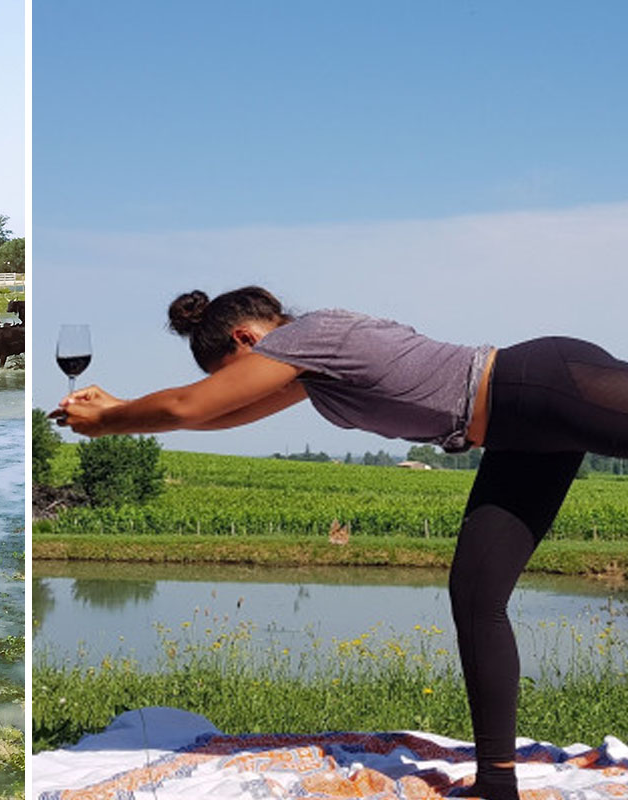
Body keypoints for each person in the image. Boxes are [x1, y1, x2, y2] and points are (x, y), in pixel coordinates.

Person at [53, 285, 628, 800]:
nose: (232, 385)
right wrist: (118, 409)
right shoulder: (312, 371)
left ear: (246, 338)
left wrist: (111, 419)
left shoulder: (311, 336)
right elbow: (219, 416)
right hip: (518, 434)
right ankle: (496, 784)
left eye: (229, 371)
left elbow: (191, 405)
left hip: (542, 383)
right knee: (476, 596)